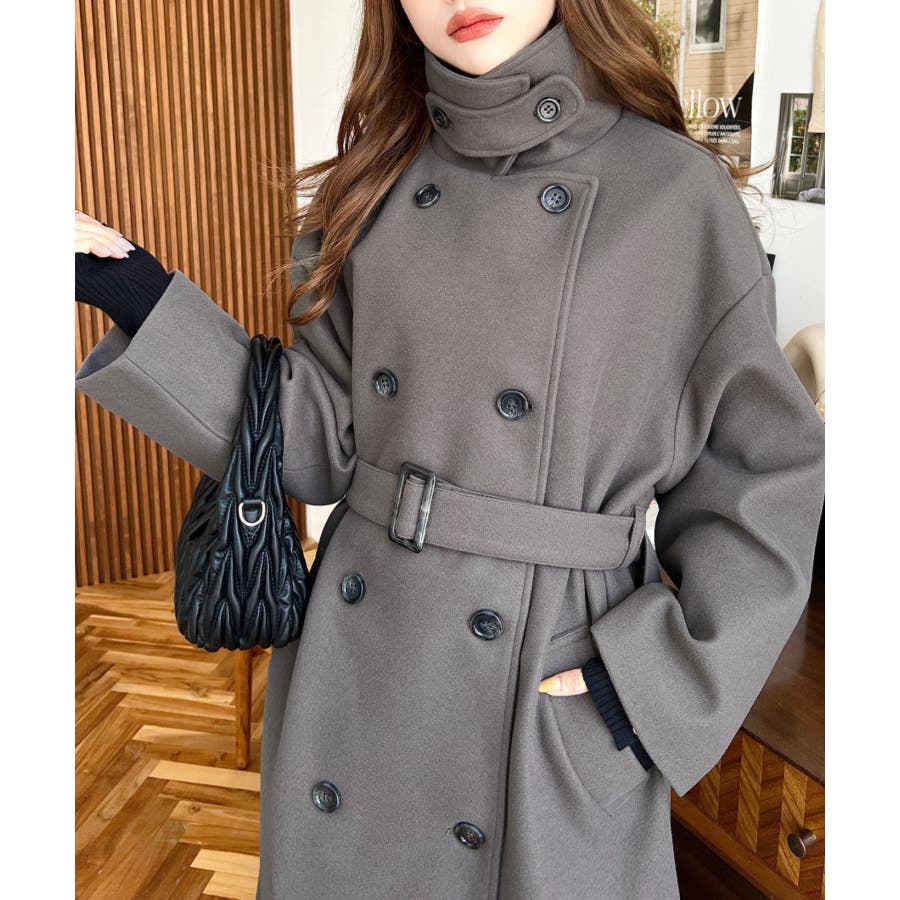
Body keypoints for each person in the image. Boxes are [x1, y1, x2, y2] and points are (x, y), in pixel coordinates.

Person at [74, 2, 826, 898]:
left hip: (545, 692)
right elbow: (314, 445)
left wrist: (648, 686)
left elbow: (763, 478)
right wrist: (135, 291)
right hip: (361, 671)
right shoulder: (374, 182)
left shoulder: (674, 195)